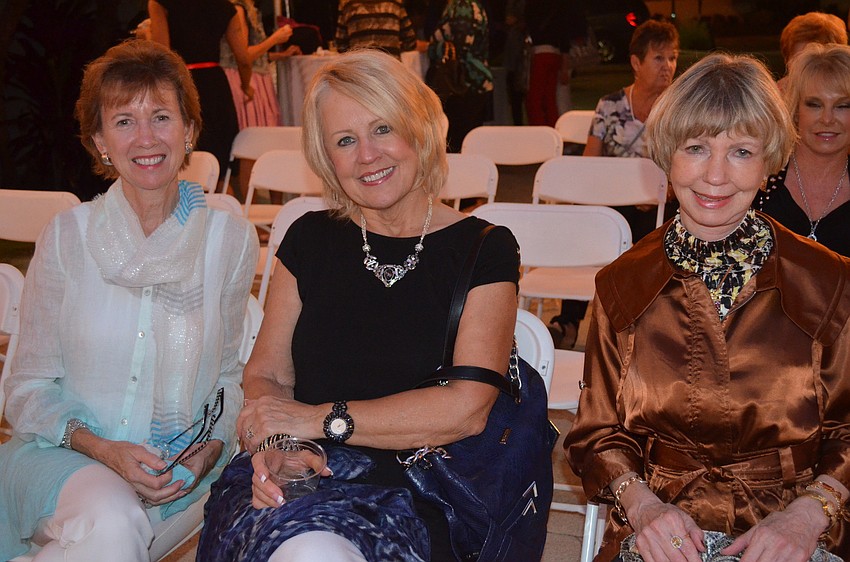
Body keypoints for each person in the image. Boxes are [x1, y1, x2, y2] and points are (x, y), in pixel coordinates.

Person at [196, 49, 520, 561]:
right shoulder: (307, 239)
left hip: (425, 490)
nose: (367, 155)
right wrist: (279, 448)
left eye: (382, 129)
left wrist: (318, 422)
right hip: (302, 471)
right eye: (345, 141)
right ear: (327, 158)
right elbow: (267, 378)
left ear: (418, 129)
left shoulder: (485, 248)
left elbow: (465, 410)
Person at [565, 52, 850, 562]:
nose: (715, 176)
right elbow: (596, 435)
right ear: (668, 155)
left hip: (796, 529)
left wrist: (808, 515)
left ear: (770, 163)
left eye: (741, 151)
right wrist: (643, 508)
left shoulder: (829, 281)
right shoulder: (622, 286)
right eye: (696, 147)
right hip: (658, 529)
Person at [0, 39, 258, 561]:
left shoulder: (229, 240)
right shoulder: (67, 235)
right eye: (123, 121)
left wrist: (206, 454)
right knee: (113, 520)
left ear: (189, 130)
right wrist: (105, 452)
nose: (146, 138)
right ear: (99, 140)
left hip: (184, 474)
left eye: (161, 116)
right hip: (65, 456)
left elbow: (230, 378)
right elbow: (26, 386)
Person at [546, 19, 678, 350]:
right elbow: (592, 163)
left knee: (650, 225)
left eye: (672, 58)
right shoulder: (610, 105)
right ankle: (568, 323)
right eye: (658, 58)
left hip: (662, 202)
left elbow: (687, 166)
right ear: (636, 63)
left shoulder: (679, 109)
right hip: (612, 201)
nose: (668, 67)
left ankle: (638, 324)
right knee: (590, 223)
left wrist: (659, 193)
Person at [755, 43, 850, 257]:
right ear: (796, 109)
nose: (827, 119)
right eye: (814, 105)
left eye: (843, 106)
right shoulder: (759, 181)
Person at [148, 0, 254, 185]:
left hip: (181, 84)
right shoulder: (226, 6)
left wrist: (147, 36)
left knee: (182, 159)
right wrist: (246, 86)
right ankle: (223, 207)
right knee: (219, 164)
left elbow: (161, 54)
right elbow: (243, 59)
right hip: (215, 86)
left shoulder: (159, 3)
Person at [220, 0, 300, 130]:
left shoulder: (246, 9)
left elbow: (252, 54)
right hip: (244, 78)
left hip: (252, 76)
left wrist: (280, 55)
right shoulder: (238, 9)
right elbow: (244, 56)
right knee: (254, 127)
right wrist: (275, 39)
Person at [428, 0, 492, 152]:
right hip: (471, 83)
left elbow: (460, 46)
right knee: (467, 145)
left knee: (459, 147)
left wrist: (432, 48)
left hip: (463, 84)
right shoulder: (467, 5)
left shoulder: (463, 6)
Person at [524, 0, 586, 127]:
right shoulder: (559, 6)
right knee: (549, 98)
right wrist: (564, 63)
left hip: (540, 52)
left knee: (535, 99)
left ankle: (539, 130)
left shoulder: (533, 6)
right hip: (555, 54)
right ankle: (553, 129)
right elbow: (564, 36)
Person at [776, 12, 847, 90]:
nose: (807, 68)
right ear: (787, 61)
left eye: (815, 60)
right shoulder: (776, 95)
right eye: (799, 61)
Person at [334, 0, 426, 58]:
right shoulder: (395, 3)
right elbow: (410, 41)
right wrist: (391, 47)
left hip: (361, 68)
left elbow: (340, 45)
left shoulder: (347, 4)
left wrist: (360, 50)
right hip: (390, 67)